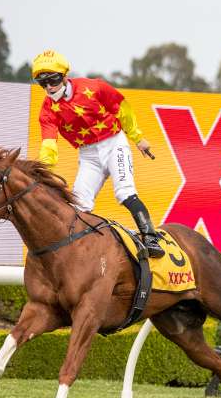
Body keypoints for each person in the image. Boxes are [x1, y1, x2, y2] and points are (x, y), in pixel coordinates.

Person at [32, 50, 164, 258]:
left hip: (114, 143)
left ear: (65, 75)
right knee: (79, 204)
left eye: (53, 80)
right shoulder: (47, 110)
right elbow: (49, 144)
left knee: (124, 192)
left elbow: (122, 109)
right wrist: (42, 171)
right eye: (43, 83)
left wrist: (137, 138)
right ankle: (80, 251)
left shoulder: (94, 87)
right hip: (88, 155)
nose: (49, 87)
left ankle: (150, 237)